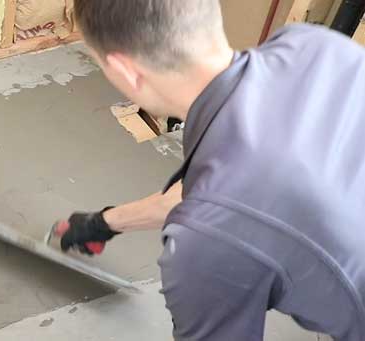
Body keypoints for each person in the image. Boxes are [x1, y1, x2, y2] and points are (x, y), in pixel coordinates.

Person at [56, 0, 365, 339]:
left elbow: (224, 211)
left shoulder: (203, 247)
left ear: (125, 69)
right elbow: (224, 198)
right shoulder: (312, 46)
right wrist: (104, 223)